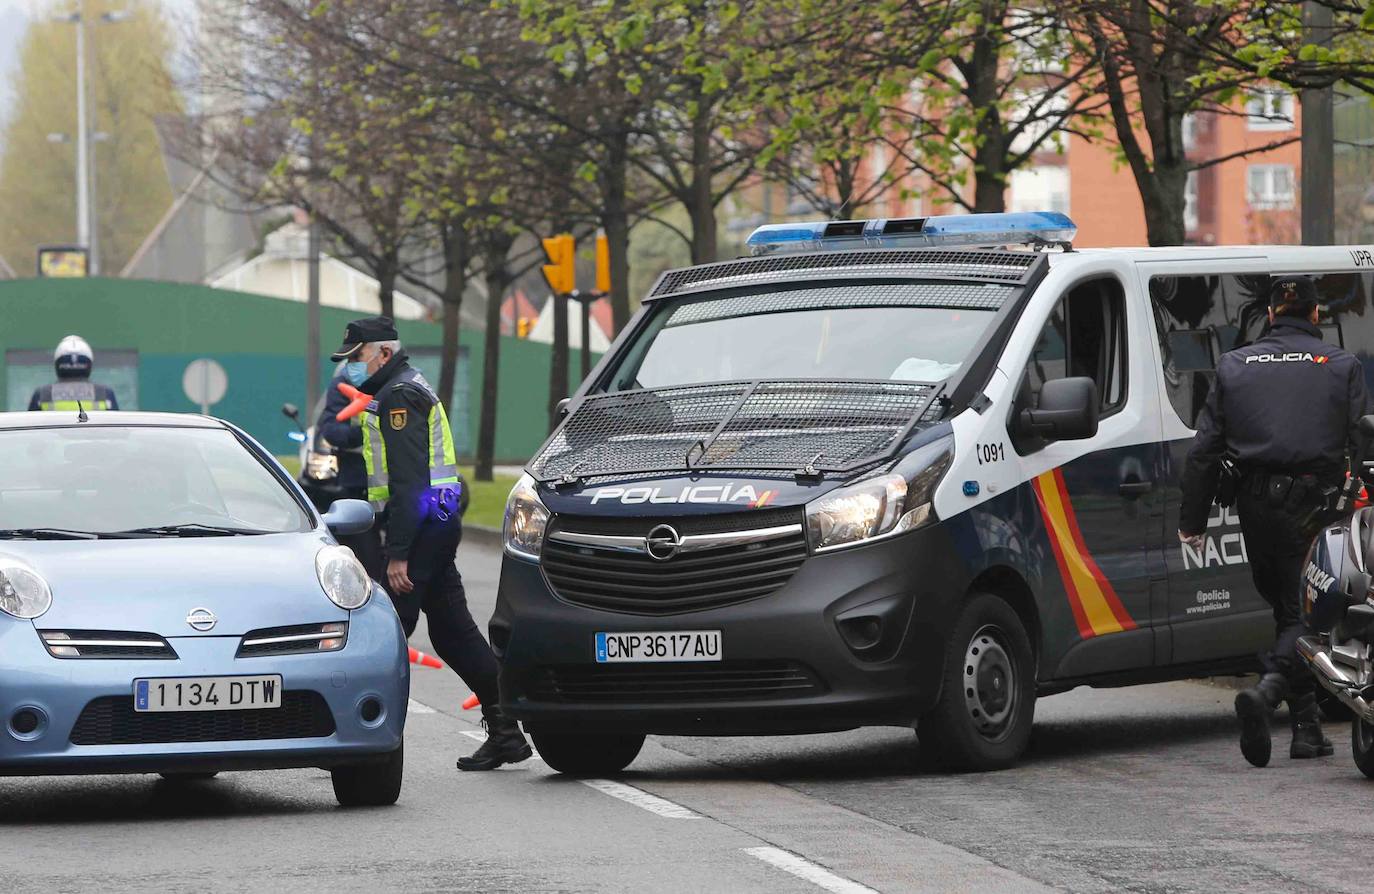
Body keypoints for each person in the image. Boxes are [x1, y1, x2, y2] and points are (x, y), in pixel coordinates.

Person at [1179, 275, 1370, 768]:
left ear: (1268, 315)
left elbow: (1204, 451)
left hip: (1256, 507)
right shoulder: (1340, 365)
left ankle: (1306, 727)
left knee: (1286, 608)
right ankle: (1265, 695)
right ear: (1314, 316)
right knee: (1306, 614)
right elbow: (1362, 437)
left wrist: (1192, 521)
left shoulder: (1234, 365)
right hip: (1317, 503)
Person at [330, 316, 531, 771]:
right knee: (453, 634)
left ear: (382, 352)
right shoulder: (397, 388)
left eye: (356, 357)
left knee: (382, 633)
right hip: (434, 528)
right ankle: (506, 732)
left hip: (419, 533)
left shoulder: (398, 396)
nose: (351, 368)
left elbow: (409, 483)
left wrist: (399, 553)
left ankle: (351, 741)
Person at [28, 335, 119, 411]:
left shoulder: (42, 395)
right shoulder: (104, 394)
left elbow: (30, 429)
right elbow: (117, 428)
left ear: (57, 363)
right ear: (89, 364)